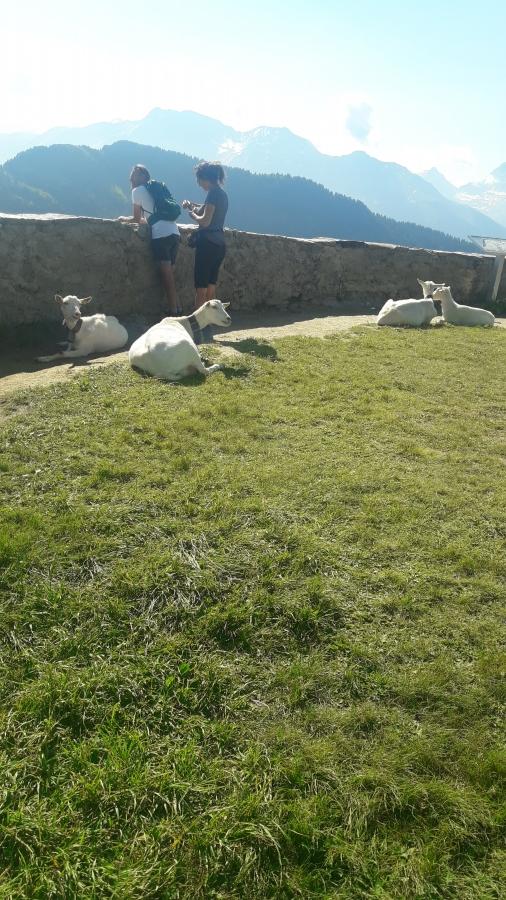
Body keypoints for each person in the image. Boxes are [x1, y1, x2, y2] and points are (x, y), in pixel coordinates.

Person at [119, 164, 181, 315]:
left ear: (133, 179)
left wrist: (123, 219)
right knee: (170, 275)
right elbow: (149, 218)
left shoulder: (137, 191)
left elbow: (136, 219)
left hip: (161, 234)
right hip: (174, 232)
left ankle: (174, 311)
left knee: (166, 276)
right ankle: (178, 307)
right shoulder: (155, 188)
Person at [182, 162, 228, 319]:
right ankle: (211, 321)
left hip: (207, 245)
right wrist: (192, 206)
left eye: (199, 179)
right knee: (211, 286)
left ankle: (198, 324)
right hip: (219, 245)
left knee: (201, 288)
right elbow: (208, 211)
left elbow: (205, 221)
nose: (198, 183)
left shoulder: (213, 194)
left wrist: (192, 215)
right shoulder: (222, 194)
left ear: (206, 178)